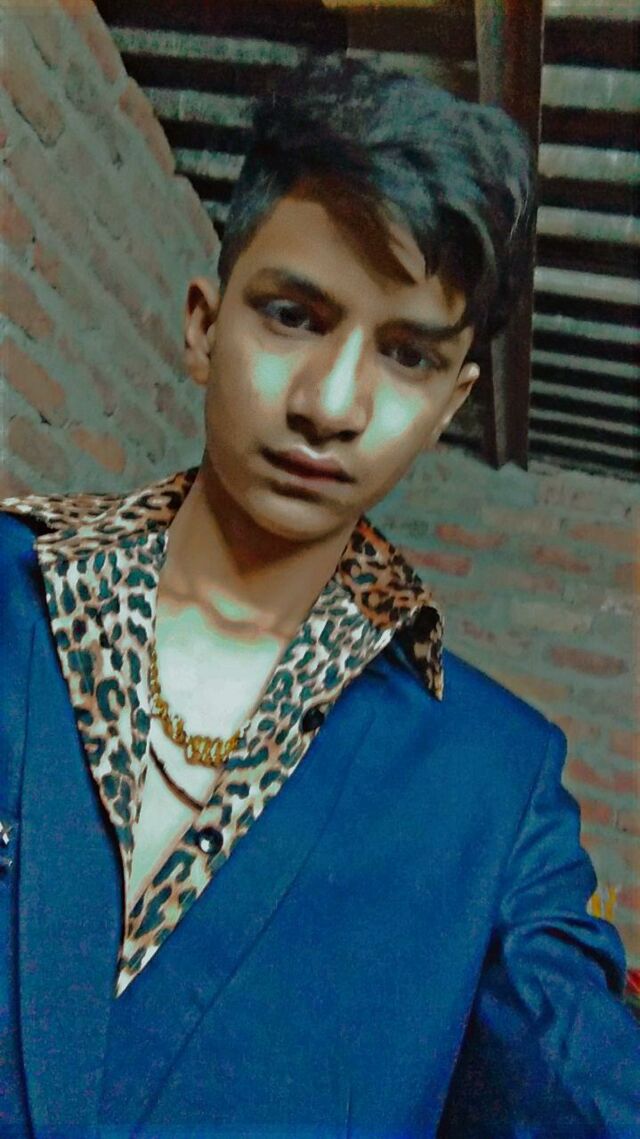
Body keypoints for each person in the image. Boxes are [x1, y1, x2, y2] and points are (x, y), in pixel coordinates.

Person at [0, 55, 638, 1139]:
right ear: (205, 324)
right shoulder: (12, 592)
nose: (333, 403)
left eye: (406, 355)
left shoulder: (493, 784)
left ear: (449, 405)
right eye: (294, 315)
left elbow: (586, 1087)